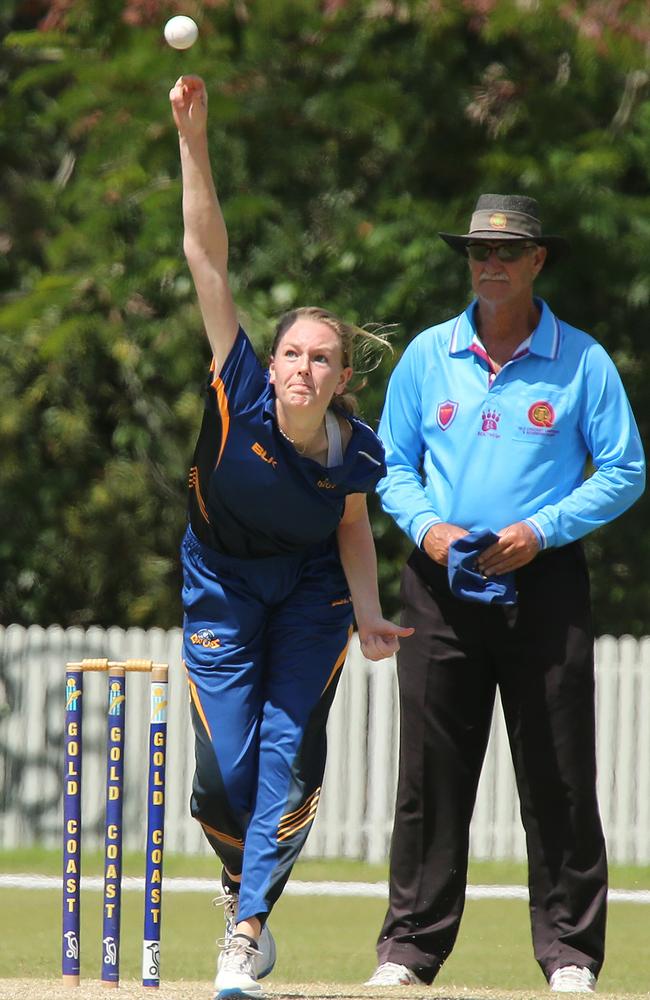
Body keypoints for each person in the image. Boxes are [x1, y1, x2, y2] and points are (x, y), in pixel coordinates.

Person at [169, 75, 413, 1000]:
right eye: (291, 353)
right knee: (220, 775)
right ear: (268, 364)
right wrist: (194, 139)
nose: (302, 368)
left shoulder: (356, 452)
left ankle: (248, 928)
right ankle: (241, 881)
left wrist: (371, 615)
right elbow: (207, 256)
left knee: (283, 752)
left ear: (342, 375)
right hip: (222, 581)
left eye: (321, 357)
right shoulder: (239, 393)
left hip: (310, 593)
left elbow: (351, 529)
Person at [365, 194, 645, 993]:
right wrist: (428, 530)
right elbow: (392, 463)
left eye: (507, 253)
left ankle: (569, 955)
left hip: (544, 580)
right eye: (479, 253)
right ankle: (408, 953)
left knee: (557, 773)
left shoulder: (582, 359)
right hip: (439, 580)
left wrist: (542, 530)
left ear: (537, 262)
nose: (490, 265)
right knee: (430, 776)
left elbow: (625, 469)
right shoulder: (427, 355)